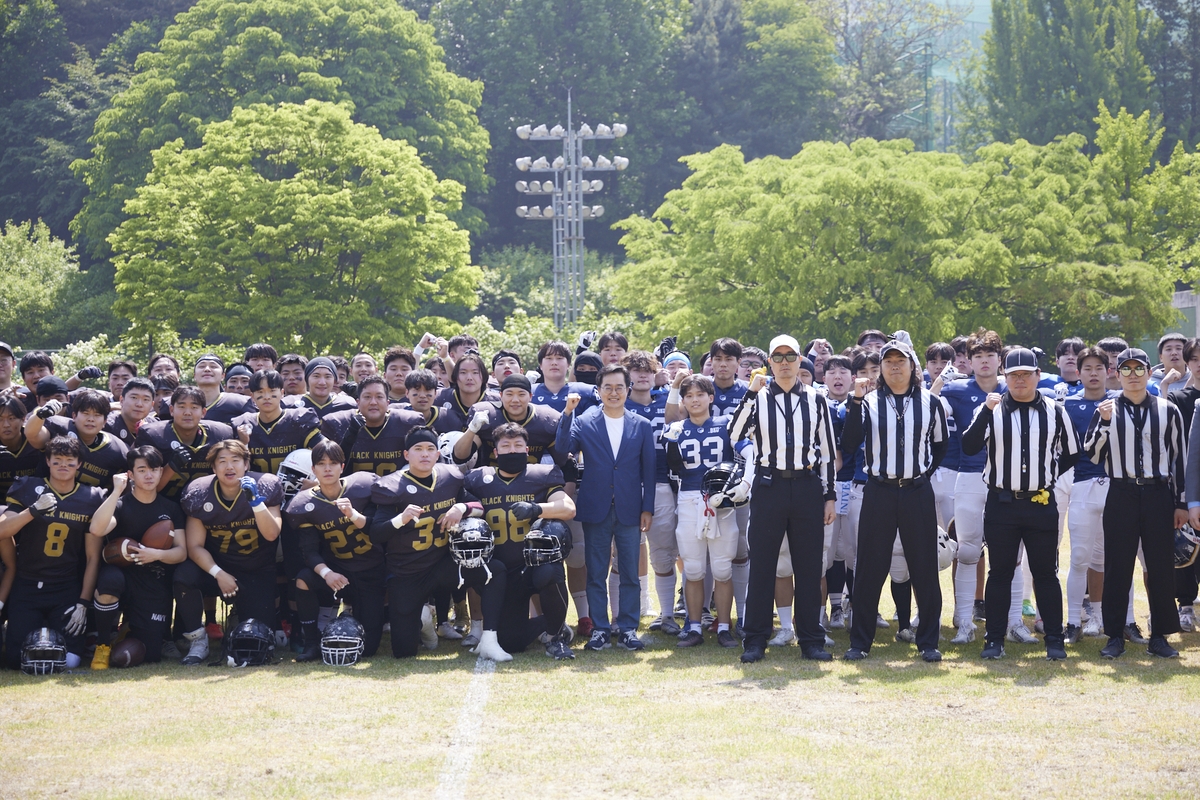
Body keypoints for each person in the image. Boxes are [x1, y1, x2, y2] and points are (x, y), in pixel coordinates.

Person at [961, 347, 1079, 660]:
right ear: (1005, 377)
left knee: (1045, 573)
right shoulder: (992, 408)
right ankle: (994, 640)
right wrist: (986, 411)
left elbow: (1072, 451)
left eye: (1026, 374)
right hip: (1002, 503)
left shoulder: (1055, 409)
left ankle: (1054, 638)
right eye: (1014, 375)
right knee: (1000, 573)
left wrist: (1048, 476)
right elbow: (969, 446)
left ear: (1038, 376)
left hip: (1040, 502)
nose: (1020, 380)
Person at [730, 334, 838, 663]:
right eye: (778, 357)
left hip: (806, 487)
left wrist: (829, 496)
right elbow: (733, 434)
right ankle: (755, 639)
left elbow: (828, 454)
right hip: (768, 485)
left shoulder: (817, 399)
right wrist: (750, 392)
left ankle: (811, 639)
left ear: (799, 361)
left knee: (808, 566)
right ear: (770, 363)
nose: (785, 362)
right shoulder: (758, 398)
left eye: (791, 356)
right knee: (762, 565)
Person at [840, 340, 948, 662]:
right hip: (879, 490)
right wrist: (855, 401)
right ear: (882, 369)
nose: (895, 366)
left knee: (924, 567)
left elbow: (940, 446)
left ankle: (928, 641)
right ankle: (860, 641)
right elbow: (848, 442)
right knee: (870, 567)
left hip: (916, 490)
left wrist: (921, 476)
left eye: (901, 361)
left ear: (913, 366)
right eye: (889, 362)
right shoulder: (867, 401)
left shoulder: (931, 402)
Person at [368, 427, 511, 660]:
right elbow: (376, 533)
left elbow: (478, 506)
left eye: (430, 449)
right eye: (418, 449)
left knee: (494, 570)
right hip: (407, 572)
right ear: (406, 455)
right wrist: (400, 519)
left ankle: (489, 638)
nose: (425, 454)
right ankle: (425, 622)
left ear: (437, 454)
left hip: (442, 564)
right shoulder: (392, 486)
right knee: (404, 651)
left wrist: (461, 507)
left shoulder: (449, 477)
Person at [1086, 348, 1188, 659]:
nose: (1132, 375)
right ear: (1117, 373)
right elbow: (1091, 453)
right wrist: (1104, 423)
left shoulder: (1167, 409)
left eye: (1138, 369)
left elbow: (1179, 459)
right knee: (1118, 565)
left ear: (1148, 372)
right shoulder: (1106, 408)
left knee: (1159, 566)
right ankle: (1115, 636)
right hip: (1121, 492)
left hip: (1158, 494)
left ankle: (1160, 636)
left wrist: (1181, 502)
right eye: (1126, 369)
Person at [556, 363, 656, 651]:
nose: (614, 392)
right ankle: (600, 628)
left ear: (628, 389)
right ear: (598, 391)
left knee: (630, 572)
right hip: (595, 506)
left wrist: (647, 507)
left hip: (630, 508)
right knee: (596, 571)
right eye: (608, 387)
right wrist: (567, 414)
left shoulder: (642, 425)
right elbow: (563, 450)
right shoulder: (584, 421)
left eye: (619, 387)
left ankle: (627, 628)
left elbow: (648, 471)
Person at [462, 423, 577, 658]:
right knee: (511, 642)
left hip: (533, 566)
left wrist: (537, 508)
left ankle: (556, 636)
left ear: (527, 450)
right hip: (500, 573)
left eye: (518, 445)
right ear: (495, 452)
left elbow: (568, 508)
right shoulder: (478, 479)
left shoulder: (541, 474)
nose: (512, 450)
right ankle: (550, 622)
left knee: (550, 572)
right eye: (505, 445)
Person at [173, 439, 285, 665]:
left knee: (256, 638)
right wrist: (218, 573)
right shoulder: (199, 492)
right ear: (213, 468)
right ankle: (198, 639)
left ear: (246, 464)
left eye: (235, 460)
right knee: (183, 575)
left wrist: (256, 503)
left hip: (255, 570)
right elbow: (194, 546)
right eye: (222, 461)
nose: (229, 467)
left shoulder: (264, 485)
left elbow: (272, 534)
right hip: (218, 569)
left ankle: (240, 617)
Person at [0, 435, 106, 669]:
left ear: (79, 464)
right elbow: (2, 530)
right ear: (47, 461)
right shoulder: (28, 487)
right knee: (15, 658)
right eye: (57, 460)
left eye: (70, 461)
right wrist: (33, 511)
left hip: (65, 586)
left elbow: (92, 557)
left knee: (71, 660)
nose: (63, 466)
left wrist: (83, 602)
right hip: (27, 585)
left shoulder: (91, 497)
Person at [87, 446, 187, 668]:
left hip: (152, 580)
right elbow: (96, 529)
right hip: (121, 574)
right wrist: (115, 492)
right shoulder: (121, 505)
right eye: (142, 470)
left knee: (150, 653)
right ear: (130, 474)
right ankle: (103, 644)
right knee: (109, 580)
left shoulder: (171, 508)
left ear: (161, 472)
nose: (149, 475)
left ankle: (126, 631)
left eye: (153, 469)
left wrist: (156, 554)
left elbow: (181, 552)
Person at [663, 374, 742, 648]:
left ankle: (723, 626)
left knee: (722, 569)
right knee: (694, 569)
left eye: (700, 395)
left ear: (711, 397)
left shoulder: (728, 425)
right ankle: (693, 626)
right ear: (683, 401)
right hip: (688, 497)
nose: (694, 400)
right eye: (689, 396)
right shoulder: (675, 430)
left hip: (721, 500)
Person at [284, 440, 382, 660]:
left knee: (368, 649)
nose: (327, 468)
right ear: (313, 469)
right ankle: (311, 642)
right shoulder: (304, 504)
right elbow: (309, 551)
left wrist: (354, 515)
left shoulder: (362, 487)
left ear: (342, 466)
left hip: (370, 571)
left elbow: (379, 530)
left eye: (333, 463)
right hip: (339, 571)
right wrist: (327, 573)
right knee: (304, 579)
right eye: (321, 463)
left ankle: (354, 617)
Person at [134, 385, 234, 501]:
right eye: (181, 407)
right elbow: (142, 488)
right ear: (171, 410)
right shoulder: (152, 435)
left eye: (194, 407)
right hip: (161, 503)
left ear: (203, 412)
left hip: (207, 503)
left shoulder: (221, 434)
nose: (187, 412)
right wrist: (171, 467)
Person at [26, 389, 129, 491]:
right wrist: (40, 415)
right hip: (43, 494)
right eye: (85, 413)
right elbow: (32, 435)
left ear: (104, 422)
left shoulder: (119, 451)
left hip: (86, 505)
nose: (91, 419)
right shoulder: (58, 428)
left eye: (97, 415)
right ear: (74, 416)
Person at [321, 375, 424, 476]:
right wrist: (350, 436)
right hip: (349, 492)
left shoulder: (409, 422)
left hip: (396, 491)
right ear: (358, 402)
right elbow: (327, 468)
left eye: (379, 397)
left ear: (388, 403)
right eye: (367, 397)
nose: (373, 402)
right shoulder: (337, 423)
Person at [453, 374, 563, 468]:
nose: (515, 400)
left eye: (521, 394)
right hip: (490, 482)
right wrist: (472, 429)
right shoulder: (488, 416)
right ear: (501, 396)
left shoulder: (546, 420)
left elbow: (564, 463)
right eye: (509, 394)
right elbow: (459, 457)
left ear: (530, 397)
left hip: (530, 483)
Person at [434, 352, 498, 432]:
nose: (469, 378)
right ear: (455, 376)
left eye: (475, 373)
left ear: (484, 376)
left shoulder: (496, 402)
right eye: (463, 372)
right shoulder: (438, 398)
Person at [191, 353, 255, 425]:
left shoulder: (242, 403)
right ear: (195, 376)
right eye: (202, 366)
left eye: (213, 366)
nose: (207, 369)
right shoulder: (182, 403)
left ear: (223, 376)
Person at [0, 394, 44, 498]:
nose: (6, 424)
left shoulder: (36, 440)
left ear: (23, 419)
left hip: (37, 500)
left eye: (11, 418)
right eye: (0, 419)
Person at [105, 376, 156, 444]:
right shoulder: (107, 425)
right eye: (134, 397)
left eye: (146, 400)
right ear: (122, 400)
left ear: (152, 405)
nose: (139, 404)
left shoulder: (154, 426)